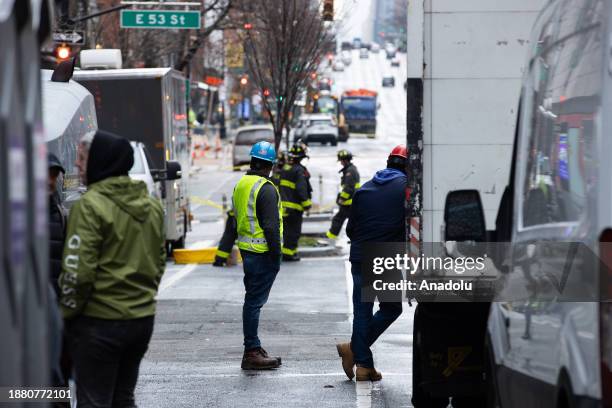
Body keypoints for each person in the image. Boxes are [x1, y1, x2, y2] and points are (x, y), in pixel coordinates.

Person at [58, 130, 166, 407]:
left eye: (82, 160)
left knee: (94, 401)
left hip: (99, 322)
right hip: (142, 319)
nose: (78, 167)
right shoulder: (152, 206)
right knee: (123, 398)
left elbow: (77, 272)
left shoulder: (90, 206)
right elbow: (159, 262)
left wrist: (65, 314)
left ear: (100, 161)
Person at [336, 145, 408, 381]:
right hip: (384, 256)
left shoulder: (365, 189)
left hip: (359, 256)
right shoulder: (408, 189)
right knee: (391, 308)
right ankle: (358, 355)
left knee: (362, 312)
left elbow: (351, 229)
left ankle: (363, 363)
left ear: (389, 162)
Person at [233, 141, 283, 370]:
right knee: (254, 302)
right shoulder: (266, 188)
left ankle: (253, 346)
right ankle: (251, 351)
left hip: (247, 250)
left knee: (251, 300)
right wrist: (277, 255)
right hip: (262, 253)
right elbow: (271, 227)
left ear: (252, 160)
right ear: (270, 165)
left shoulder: (242, 184)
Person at [48, 153, 69, 405]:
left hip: (56, 313)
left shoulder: (61, 214)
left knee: (58, 381)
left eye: (54, 174)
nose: (50, 180)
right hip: (24, 314)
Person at [279, 143, 312, 261]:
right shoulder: (299, 171)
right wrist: (307, 204)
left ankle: (288, 253)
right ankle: (289, 254)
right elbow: (301, 189)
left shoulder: (285, 169)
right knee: (294, 232)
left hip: (284, 207)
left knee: (287, 231)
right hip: (294, 208)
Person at [326, 150, 360, 240]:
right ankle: (357, 238)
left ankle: (330, 237)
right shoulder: (350, 169)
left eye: (341, 160)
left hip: (349, 202)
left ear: (345, 160)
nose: (340, 162)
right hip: (352, 202)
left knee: (338, 219)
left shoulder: (350, 171)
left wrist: (342, 198)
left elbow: (349, 187)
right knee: (354, 222)